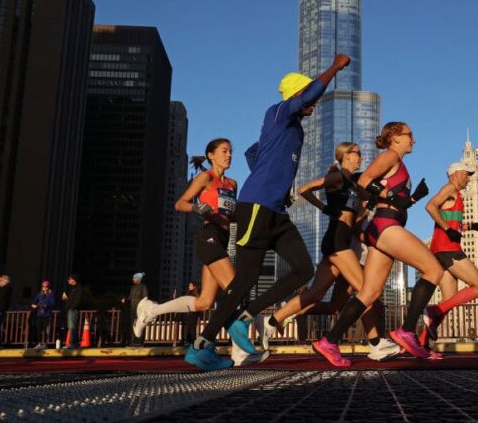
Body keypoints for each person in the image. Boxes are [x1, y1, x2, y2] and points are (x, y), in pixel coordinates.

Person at [185, 54, 351, 372]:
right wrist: (334, 67)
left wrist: (278, 185)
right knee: (244, 280)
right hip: (256, 207)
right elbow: (309, 95)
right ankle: (200, 346)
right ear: (295, 96)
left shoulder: (295, 130)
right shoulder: (278, 113)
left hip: (275, 210)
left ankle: (244, 318)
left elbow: (252, 152)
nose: (312, 106)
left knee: (304, 269)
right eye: (306, 99)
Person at [255, 142, 400, 362]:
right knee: (367, 291)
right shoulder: (338, 177)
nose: (361, 157)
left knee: (315, 294)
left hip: (338, 240)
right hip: (337, 241)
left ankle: (271, 321)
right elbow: (305, 189)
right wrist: (324, 208)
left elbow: (356, 215)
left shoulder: (351, 182)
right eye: (357, 153)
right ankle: (376, 344)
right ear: (345, 155)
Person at [312, 122, 439, 367]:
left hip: (384, 226)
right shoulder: (390, 155)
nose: (413, 139)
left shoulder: (398, 163)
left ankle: (329, 341)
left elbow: (393, 199)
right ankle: (408, 331)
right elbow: (364, 181)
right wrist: (392, 197)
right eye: (409, 135)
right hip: (386, 226)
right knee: (433, 270)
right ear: (395, 137)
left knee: (369, 293)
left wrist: (413, 198)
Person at [134, 138, 263, 366]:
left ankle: (152, 310)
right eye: (224, 151)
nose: (229, 155)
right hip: (208, 237)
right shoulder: (206, 178)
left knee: (204, 302)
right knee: (235, 287)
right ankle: (237, 352)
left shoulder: (232, 184)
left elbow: (231, 216)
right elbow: (180, 203)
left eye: (231, 152)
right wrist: (197, 207)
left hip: (222, 239)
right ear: (211, 155)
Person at [420, 161, 478, 357]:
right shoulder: (450, 188)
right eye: (467, 175)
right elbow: (430, 206)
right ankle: (433, 311)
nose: (468, 179)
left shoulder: (456, 195)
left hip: (440, 251)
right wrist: (448, 229)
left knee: (449, 300)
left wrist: (470, 227)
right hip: (447, 250)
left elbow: (450, 223)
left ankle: (423, 343)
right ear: (457, 174)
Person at [122, 272, 148, 347]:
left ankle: (139, 342)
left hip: (140, 310)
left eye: (134, 278)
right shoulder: (133, 287)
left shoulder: (143, 287)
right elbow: (130, 298)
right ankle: (133, 342)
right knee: (133, 326)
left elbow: (145, 298)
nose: (133, 279)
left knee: (139, 326)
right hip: (133, 309)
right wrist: (126, 300)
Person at [31, 281, 55, 350]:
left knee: (46, 329)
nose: (45, 288)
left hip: (47, 314)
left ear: (48, 287)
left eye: (46, 286)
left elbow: (52, 304)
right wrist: (34, 305)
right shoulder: (39, 294)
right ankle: (39, 343)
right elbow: (33, 302)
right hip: (39, 314)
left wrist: (46, 305)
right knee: (38, 328)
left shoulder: (51, 295)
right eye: (43, 286)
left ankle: (45, 344)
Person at [62, 273, 82, 349]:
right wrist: (66, 299)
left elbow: (77, 301)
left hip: (73, 310)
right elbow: (70, 301)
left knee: (72, 327)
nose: (68, 280)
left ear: (74, 280)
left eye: (70, 279)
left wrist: (72, 307)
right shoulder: (72, 289)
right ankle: (75, 343)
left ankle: (73, 344)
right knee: (71, 327)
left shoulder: (78, 288)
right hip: (70, 309)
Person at [182, 281, 200, 346]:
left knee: (192, 328)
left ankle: (192, 342)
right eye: (189, 285)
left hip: (192, 314)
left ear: (194, 287)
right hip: (188, 313)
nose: (189, 287)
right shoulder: (189, 293)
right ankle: (188, 341)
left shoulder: (195, 294)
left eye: (190, 285)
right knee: (188, 328)